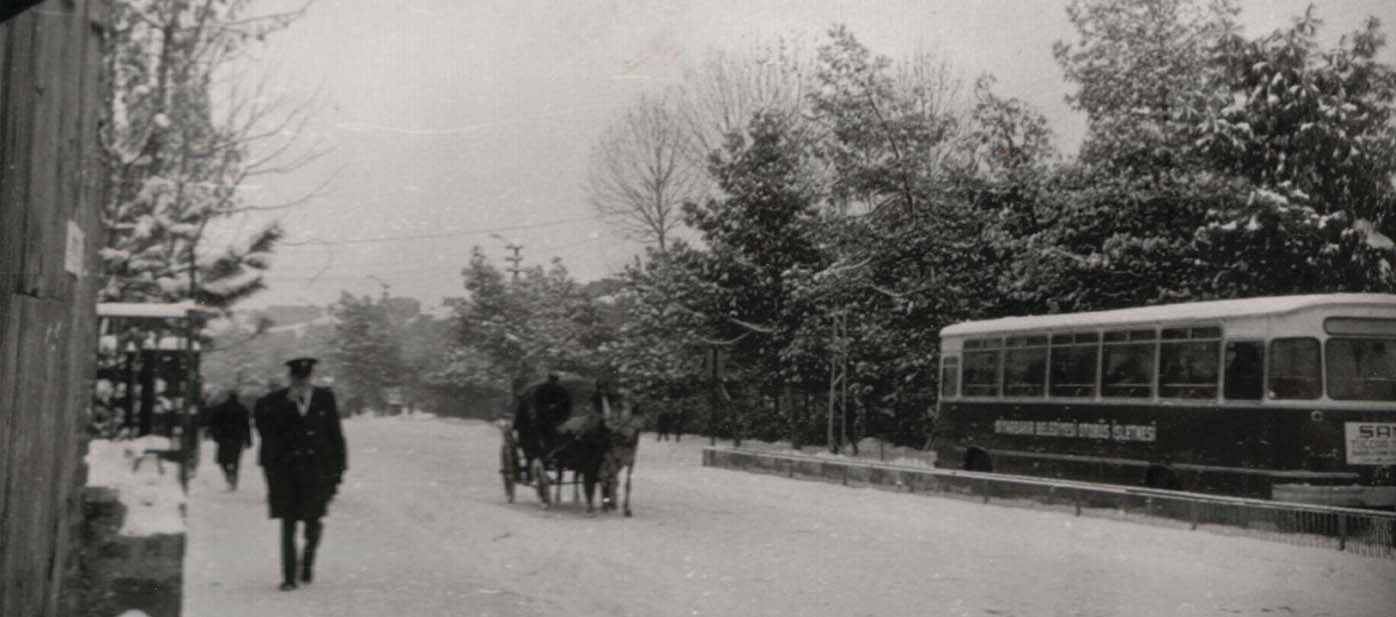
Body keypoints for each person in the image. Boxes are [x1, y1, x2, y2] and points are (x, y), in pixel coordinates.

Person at [254, 357, 347, 591]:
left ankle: (307, 560)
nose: (301, 382)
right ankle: (288, 576)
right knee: (288, 524)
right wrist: (285, 405)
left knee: (313, 524)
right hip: (287, 473)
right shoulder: (273, 401)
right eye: (297, 378)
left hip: (317, 472)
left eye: (305, 378)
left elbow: (335, 434)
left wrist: (338, 470)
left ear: (311, 377)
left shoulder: (325, 398)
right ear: (290, 378)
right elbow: (266, 431)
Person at [208, 389, 253, 490]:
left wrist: (215, 436)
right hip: (238, 438)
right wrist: (248, 440)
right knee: (236, 460)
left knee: (222, 460)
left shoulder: (220, 408)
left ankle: (228, 474)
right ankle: (234, 479)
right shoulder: (242, 409)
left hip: (224, 438)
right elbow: (246, 426)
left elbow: (213, 424)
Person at [533, 372, 571, 457]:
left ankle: (548, 451)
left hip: (546, 419)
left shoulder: (541, 389)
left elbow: (537, 404)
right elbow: (568, 406)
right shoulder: (562, 390)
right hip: (555, 419)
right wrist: (564, 417)